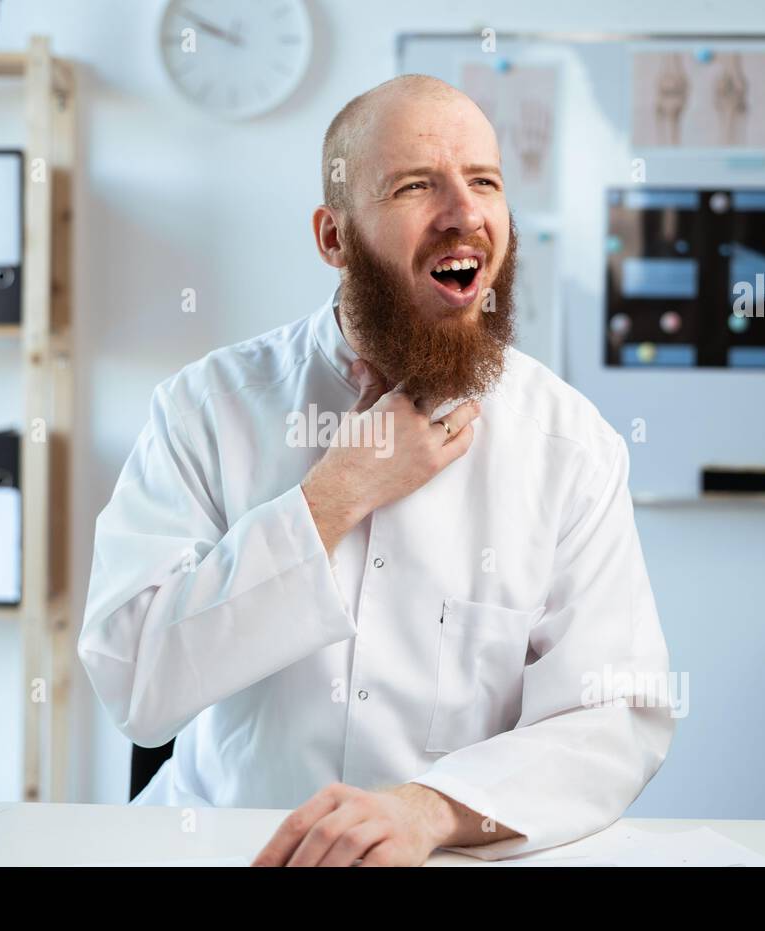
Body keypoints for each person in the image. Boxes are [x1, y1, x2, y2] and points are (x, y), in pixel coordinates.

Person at [78, 74, 674, 867]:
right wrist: (335, 494)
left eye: (486, 183)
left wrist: (428, 812)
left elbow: (612, 717)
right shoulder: (205, 411)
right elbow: (135, 682)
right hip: (226, 847)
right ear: (334, 238)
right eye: (415, 185)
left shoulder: (570, 445)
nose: (465, 213)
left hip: (448, 857)